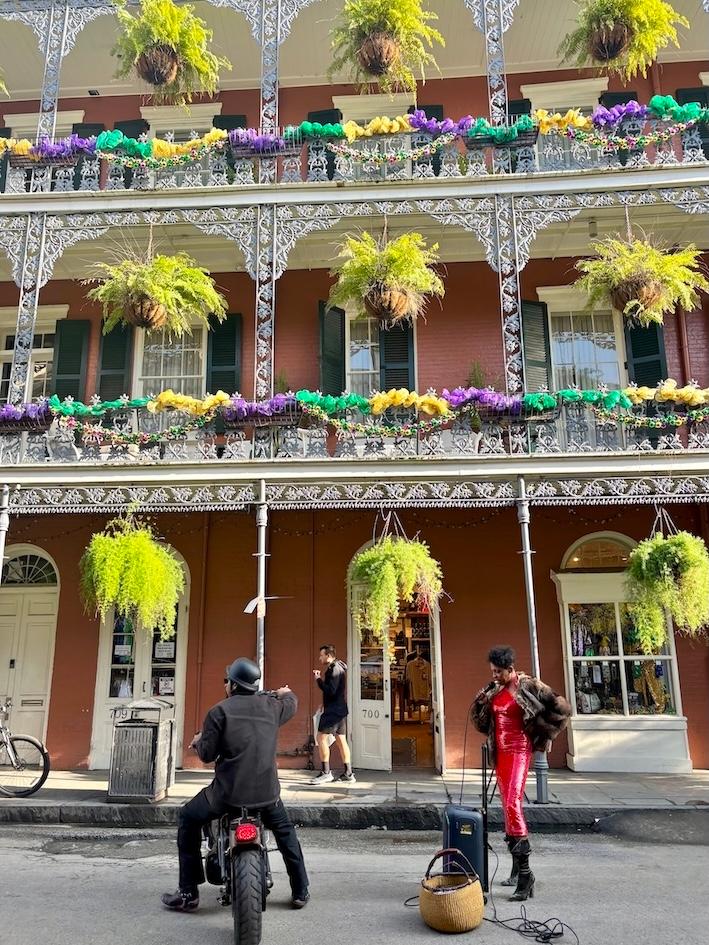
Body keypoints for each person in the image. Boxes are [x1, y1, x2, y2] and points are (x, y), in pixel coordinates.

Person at [161, 657, 309, 912]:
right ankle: (300, 890)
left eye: (228, 680)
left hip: (226, 795)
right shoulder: (272, 707)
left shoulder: (219, 712)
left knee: (187, 818)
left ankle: (188, 892)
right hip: (266, 794)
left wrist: (198, 740)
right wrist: (286, 691)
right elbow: (292, 702)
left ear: (233, 684)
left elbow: (207, 755)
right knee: (286, 834)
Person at [470, 645, 570, 902]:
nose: (494, 675)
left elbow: (561, 709)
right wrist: (481, 703)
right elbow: (482, 723)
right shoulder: (496, 689)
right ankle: (516, 869)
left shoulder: (528, 686)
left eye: (499, 672)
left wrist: (542, 734)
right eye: (492, 671)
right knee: (506, 804)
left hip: (519, 751)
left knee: (514, 803)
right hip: (500, 752)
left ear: (510, 669)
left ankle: (526, 874)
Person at [310, 644, 355, 785]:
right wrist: (324, 703)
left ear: (329, 656)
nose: (320, 658)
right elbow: (334, 692)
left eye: (321, 655)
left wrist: (318, 679)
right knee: (341, 740)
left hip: (334, 711)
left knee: (321, 738)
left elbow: (331, 690)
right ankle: (348, 774)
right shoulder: (338, 667)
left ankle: (326, 772)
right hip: (339, 709)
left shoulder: (334, 669)